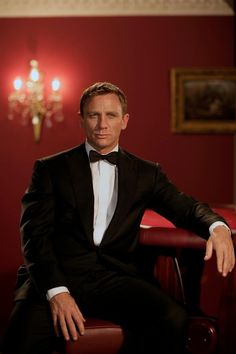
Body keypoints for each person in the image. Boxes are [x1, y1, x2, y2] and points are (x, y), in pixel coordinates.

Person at [2, 82, 235, 354]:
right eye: (93, 115)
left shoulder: (147, 173)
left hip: (112, 278)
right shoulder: (50, 169)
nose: (102, 124)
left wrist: (217, 227)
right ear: (81, 120)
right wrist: (57, 292)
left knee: (172, 317)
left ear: (124, 121)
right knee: (19, 340)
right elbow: (34, 238)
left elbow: (185, 207)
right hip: (54, 276)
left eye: (111, 115)